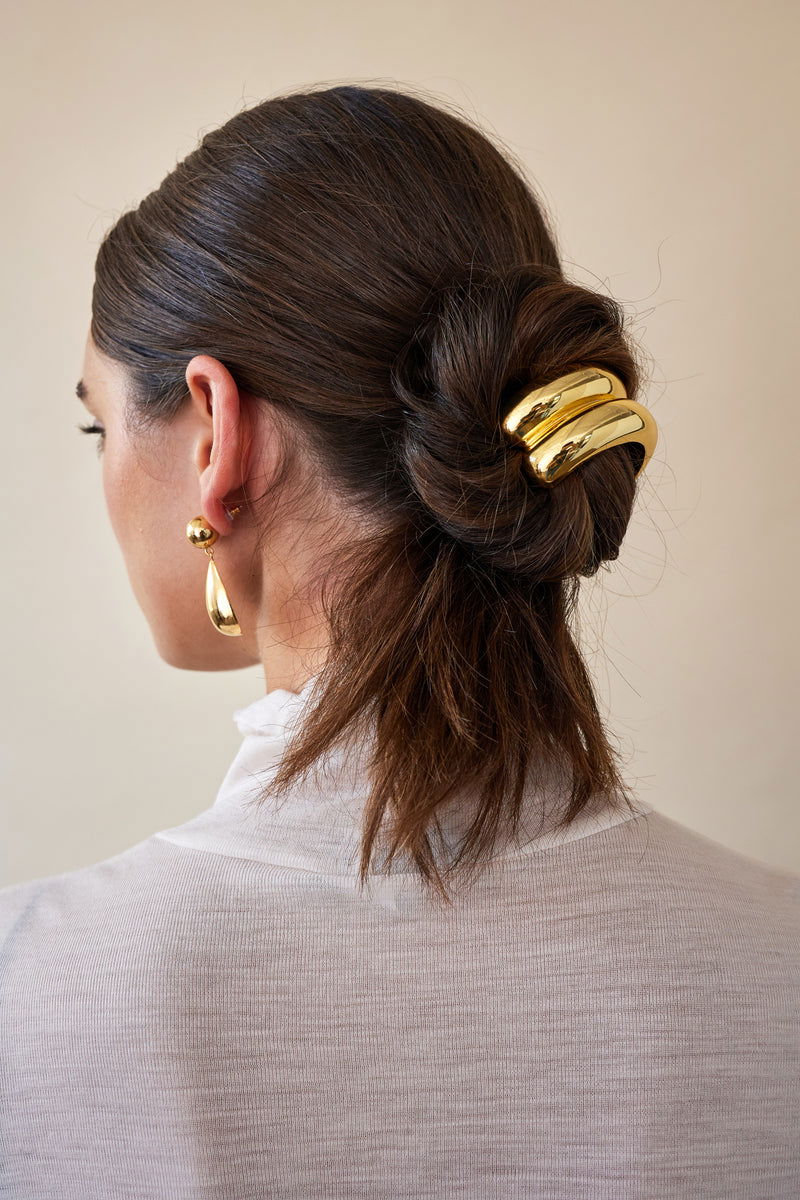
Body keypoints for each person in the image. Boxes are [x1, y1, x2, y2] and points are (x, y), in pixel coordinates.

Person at [1, 83, 797, 1199]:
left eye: (100, 423)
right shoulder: (778, 961)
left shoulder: (31, 995)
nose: (104, 469)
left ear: (215, 435)